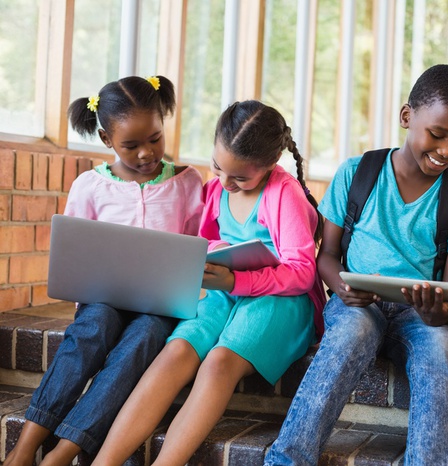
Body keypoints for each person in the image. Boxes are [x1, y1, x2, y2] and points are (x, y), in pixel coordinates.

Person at [264, 64, 448, 466]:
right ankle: (287, 459)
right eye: (437, 135)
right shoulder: (357, 174)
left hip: (420, 317)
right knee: (352, 333)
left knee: (441, 348)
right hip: (356, 304)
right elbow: (326, 257)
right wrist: (343, 288)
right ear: (406, 117)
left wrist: (440, 314)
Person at [93, 100, 325, 466]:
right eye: (217, 167)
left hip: (282, 298)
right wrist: (211, 262)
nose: (225, 182)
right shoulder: (218, 188)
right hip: (227, 290)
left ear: (271, 164)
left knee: (218, 361)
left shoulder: (284, 193)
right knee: (176, 351)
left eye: (241, 177)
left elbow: (302, 272)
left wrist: (235, 279)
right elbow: (206, 240)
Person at [4, 76, 204, 466]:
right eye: (131, 145)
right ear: (106, 139)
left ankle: (65, 451)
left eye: (155, 139)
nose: (147, 153)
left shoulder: (187, 182)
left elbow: (200, 244)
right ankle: (25, 446)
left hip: (159, 307)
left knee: (143, 338)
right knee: (92, 329)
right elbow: (75, 253)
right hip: (101, 299)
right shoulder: (90, 186)